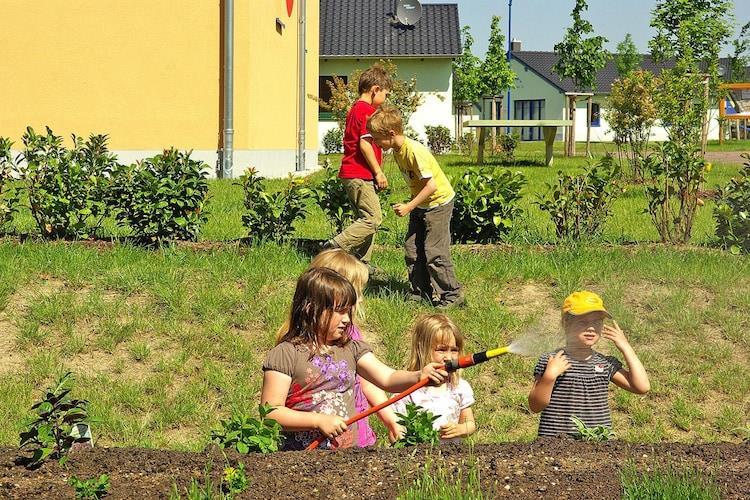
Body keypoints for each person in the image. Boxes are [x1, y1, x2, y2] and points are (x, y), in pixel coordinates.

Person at [261, 267, 448, 450]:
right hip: (302, 458)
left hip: (350, 457)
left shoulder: (351, 349)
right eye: (340, 311)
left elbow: (388, 378)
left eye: (348, 312)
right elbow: (271, 413)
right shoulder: (286, 354)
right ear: (311, 309)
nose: (347, 319)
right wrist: (317, 421)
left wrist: (418, 376)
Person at [366, 106, 464, 308]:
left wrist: (409, 207)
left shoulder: (414, 151)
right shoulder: (397, 151)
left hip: (438, 204)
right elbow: (416, 182)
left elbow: (431, 186)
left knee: (435, 252)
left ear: (391, 134)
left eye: (377, 139)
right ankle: (420, 293)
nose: (375, 143)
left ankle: (452, 295)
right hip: (422, 205)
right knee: (412, 249)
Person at [304, 249, 403, 445]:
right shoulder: (295, 345)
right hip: (317, 435)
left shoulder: (352, 335)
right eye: (356, 292)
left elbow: (369, 382)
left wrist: (390, 419)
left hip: (356, 428)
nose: (360, 299)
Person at [528, 290, 650, 437]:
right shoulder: (552, 360)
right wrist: (549, 376)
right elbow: (535, 406)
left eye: (597, 322)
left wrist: (626, 347)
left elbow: (642, 387)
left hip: (597, 444)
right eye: (583, 322)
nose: (591, 328)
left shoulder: (605, 363)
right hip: (556, 444)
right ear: (566, 324)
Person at [325, 65, 392, 272]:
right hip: (359, 174)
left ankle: (361, 264)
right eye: (385, 94)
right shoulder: (366, 111)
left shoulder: (356, 108)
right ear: (375, 89)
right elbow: (365, 144)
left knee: (365, 219)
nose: (385, 99)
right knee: (373, 218)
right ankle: (333, 247)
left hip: (354, 174)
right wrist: (378, 172)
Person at [392, 314, 476, 443]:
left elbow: (470, 423)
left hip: (453, 453)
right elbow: (396, 432)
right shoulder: (408, 390)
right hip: (420, 454)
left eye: (454, 350)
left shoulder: (459, 387)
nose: (449, 357)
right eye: (441, 350)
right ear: (422, 349)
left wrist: (460, 429)